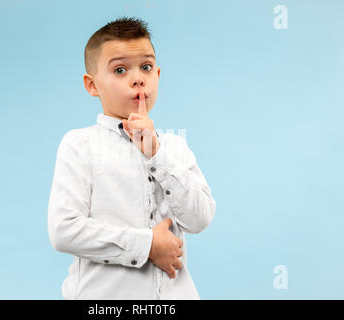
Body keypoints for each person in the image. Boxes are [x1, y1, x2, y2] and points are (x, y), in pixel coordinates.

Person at [47, 16, 217, 300]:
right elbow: (64, 230)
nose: (138, 78)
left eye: (146, 67)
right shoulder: (79, 145)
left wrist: (156, 153)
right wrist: (147, 245)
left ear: (158, 76)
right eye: (120, 69)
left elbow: (200, 218)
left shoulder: (174, 147)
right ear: (92, 85)